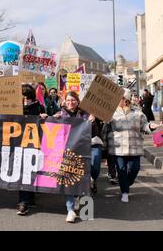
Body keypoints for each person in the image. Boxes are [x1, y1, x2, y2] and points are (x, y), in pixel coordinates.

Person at [102, 89, 159, 203]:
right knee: (121, 170)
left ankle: (127, 183)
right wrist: (104, 148)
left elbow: (145, 126)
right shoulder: (111, 113)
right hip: (118, 148)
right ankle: (125, 192)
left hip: (134, 147)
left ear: (127, 99)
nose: (120, 100)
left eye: (122, 98)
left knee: (135, 168)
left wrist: (151, 126)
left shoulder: (138, 113)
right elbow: (105, 131)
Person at [54, 91, 97, 223]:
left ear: (77, 101)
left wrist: (92, 122)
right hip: (67, 151)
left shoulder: (85, 114)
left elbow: (94, 133)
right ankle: (70, 210)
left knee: (87, 172)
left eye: (73, 100)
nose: (70, 103)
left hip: (84, 149)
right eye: (68, 100)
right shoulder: (60, 114)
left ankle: (79, 194)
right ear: (64, 102)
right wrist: (48, 118)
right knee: (68, 177)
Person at [16, 84, 46, 216]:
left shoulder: (38, 107)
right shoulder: (16, 108)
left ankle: (26, 199)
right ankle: (25, 200)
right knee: (22, 172)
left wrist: (45, 117)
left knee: (29, 171)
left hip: (33, 144)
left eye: (24, 97)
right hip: (17, 143)